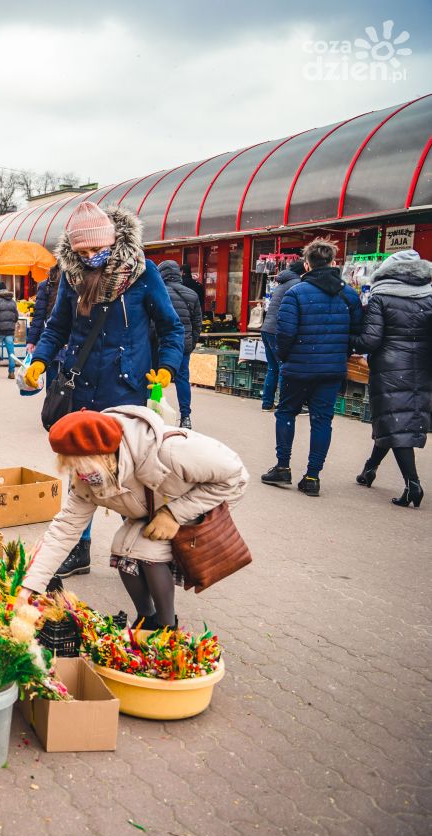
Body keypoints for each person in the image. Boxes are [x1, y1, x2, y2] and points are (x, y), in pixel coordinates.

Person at [23, 201, 184, 578]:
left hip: (128, 388)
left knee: (140, 469)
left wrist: (166, 369)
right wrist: (41, 360)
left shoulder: (143, 274)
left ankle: (160, 548)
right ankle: (79, 549)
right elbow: (57, 327)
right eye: (82, 252)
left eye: (96, 250)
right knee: (84, 471)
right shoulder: (70, 276)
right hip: (82, 387)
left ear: (112, 241)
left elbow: (172, 328)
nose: (90, 258)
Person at [18, 408, 248, 630]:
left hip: (204, 496)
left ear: (105, 454)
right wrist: (29, 588)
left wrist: (175, 514)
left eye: (83, 466)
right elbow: (64, 530)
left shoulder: (169, 451)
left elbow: (233, 474)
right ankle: (146, 619)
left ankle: (166, 627)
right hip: (156, 505)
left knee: (147, 549)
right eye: (73, 468)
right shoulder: (87, 479)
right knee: (123, 546)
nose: (81, 475)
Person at [261, 238, 361, 496]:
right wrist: (341, 352)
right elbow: (357, 333)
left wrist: (285, 357)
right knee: (322, 421)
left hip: (297, 367)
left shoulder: (296, 293)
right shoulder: (349, 295)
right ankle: (312, 476)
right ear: (333, 262)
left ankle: (283, 467)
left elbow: (285, 334)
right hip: (331, 369)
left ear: (307, 264)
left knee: (286, 413)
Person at [354, 250, 432, 508]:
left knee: (395, 422)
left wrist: (351, 343)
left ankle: (413, 485)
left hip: (389, 367)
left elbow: (371, 340)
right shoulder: (430, 294)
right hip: (421, 365)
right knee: (396, 420)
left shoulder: (382, 295)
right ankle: (369, 470)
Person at [157, 260, 203, 428]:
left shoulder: (159, 292)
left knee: (155, 378)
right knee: (183, 379)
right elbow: (198, 322)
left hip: (160, 343)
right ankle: (186, 417)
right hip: (183, 345)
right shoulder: (192, 294)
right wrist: (191, 342)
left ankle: (154, 413)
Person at [258, 260, 305, 411]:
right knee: (283, 367)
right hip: (278, 330)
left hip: (267, 329)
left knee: (273, 368)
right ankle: (286, 404)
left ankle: (267, 403)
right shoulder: (297, 284)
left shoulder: (283, 283)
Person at [25, 265, 61, 384]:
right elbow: (39, 316)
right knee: (54, 384)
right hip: (53, 337)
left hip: (73, 344)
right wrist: (32, 340)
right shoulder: (46, 285)